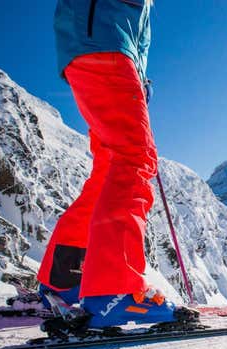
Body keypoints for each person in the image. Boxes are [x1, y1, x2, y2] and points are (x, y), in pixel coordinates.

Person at [38, 0, 183, 327]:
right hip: (102, 40)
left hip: (98, 43)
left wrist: (137, 72)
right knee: (134, 157)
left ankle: (64, 278)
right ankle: (113, 290)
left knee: (111, 165)